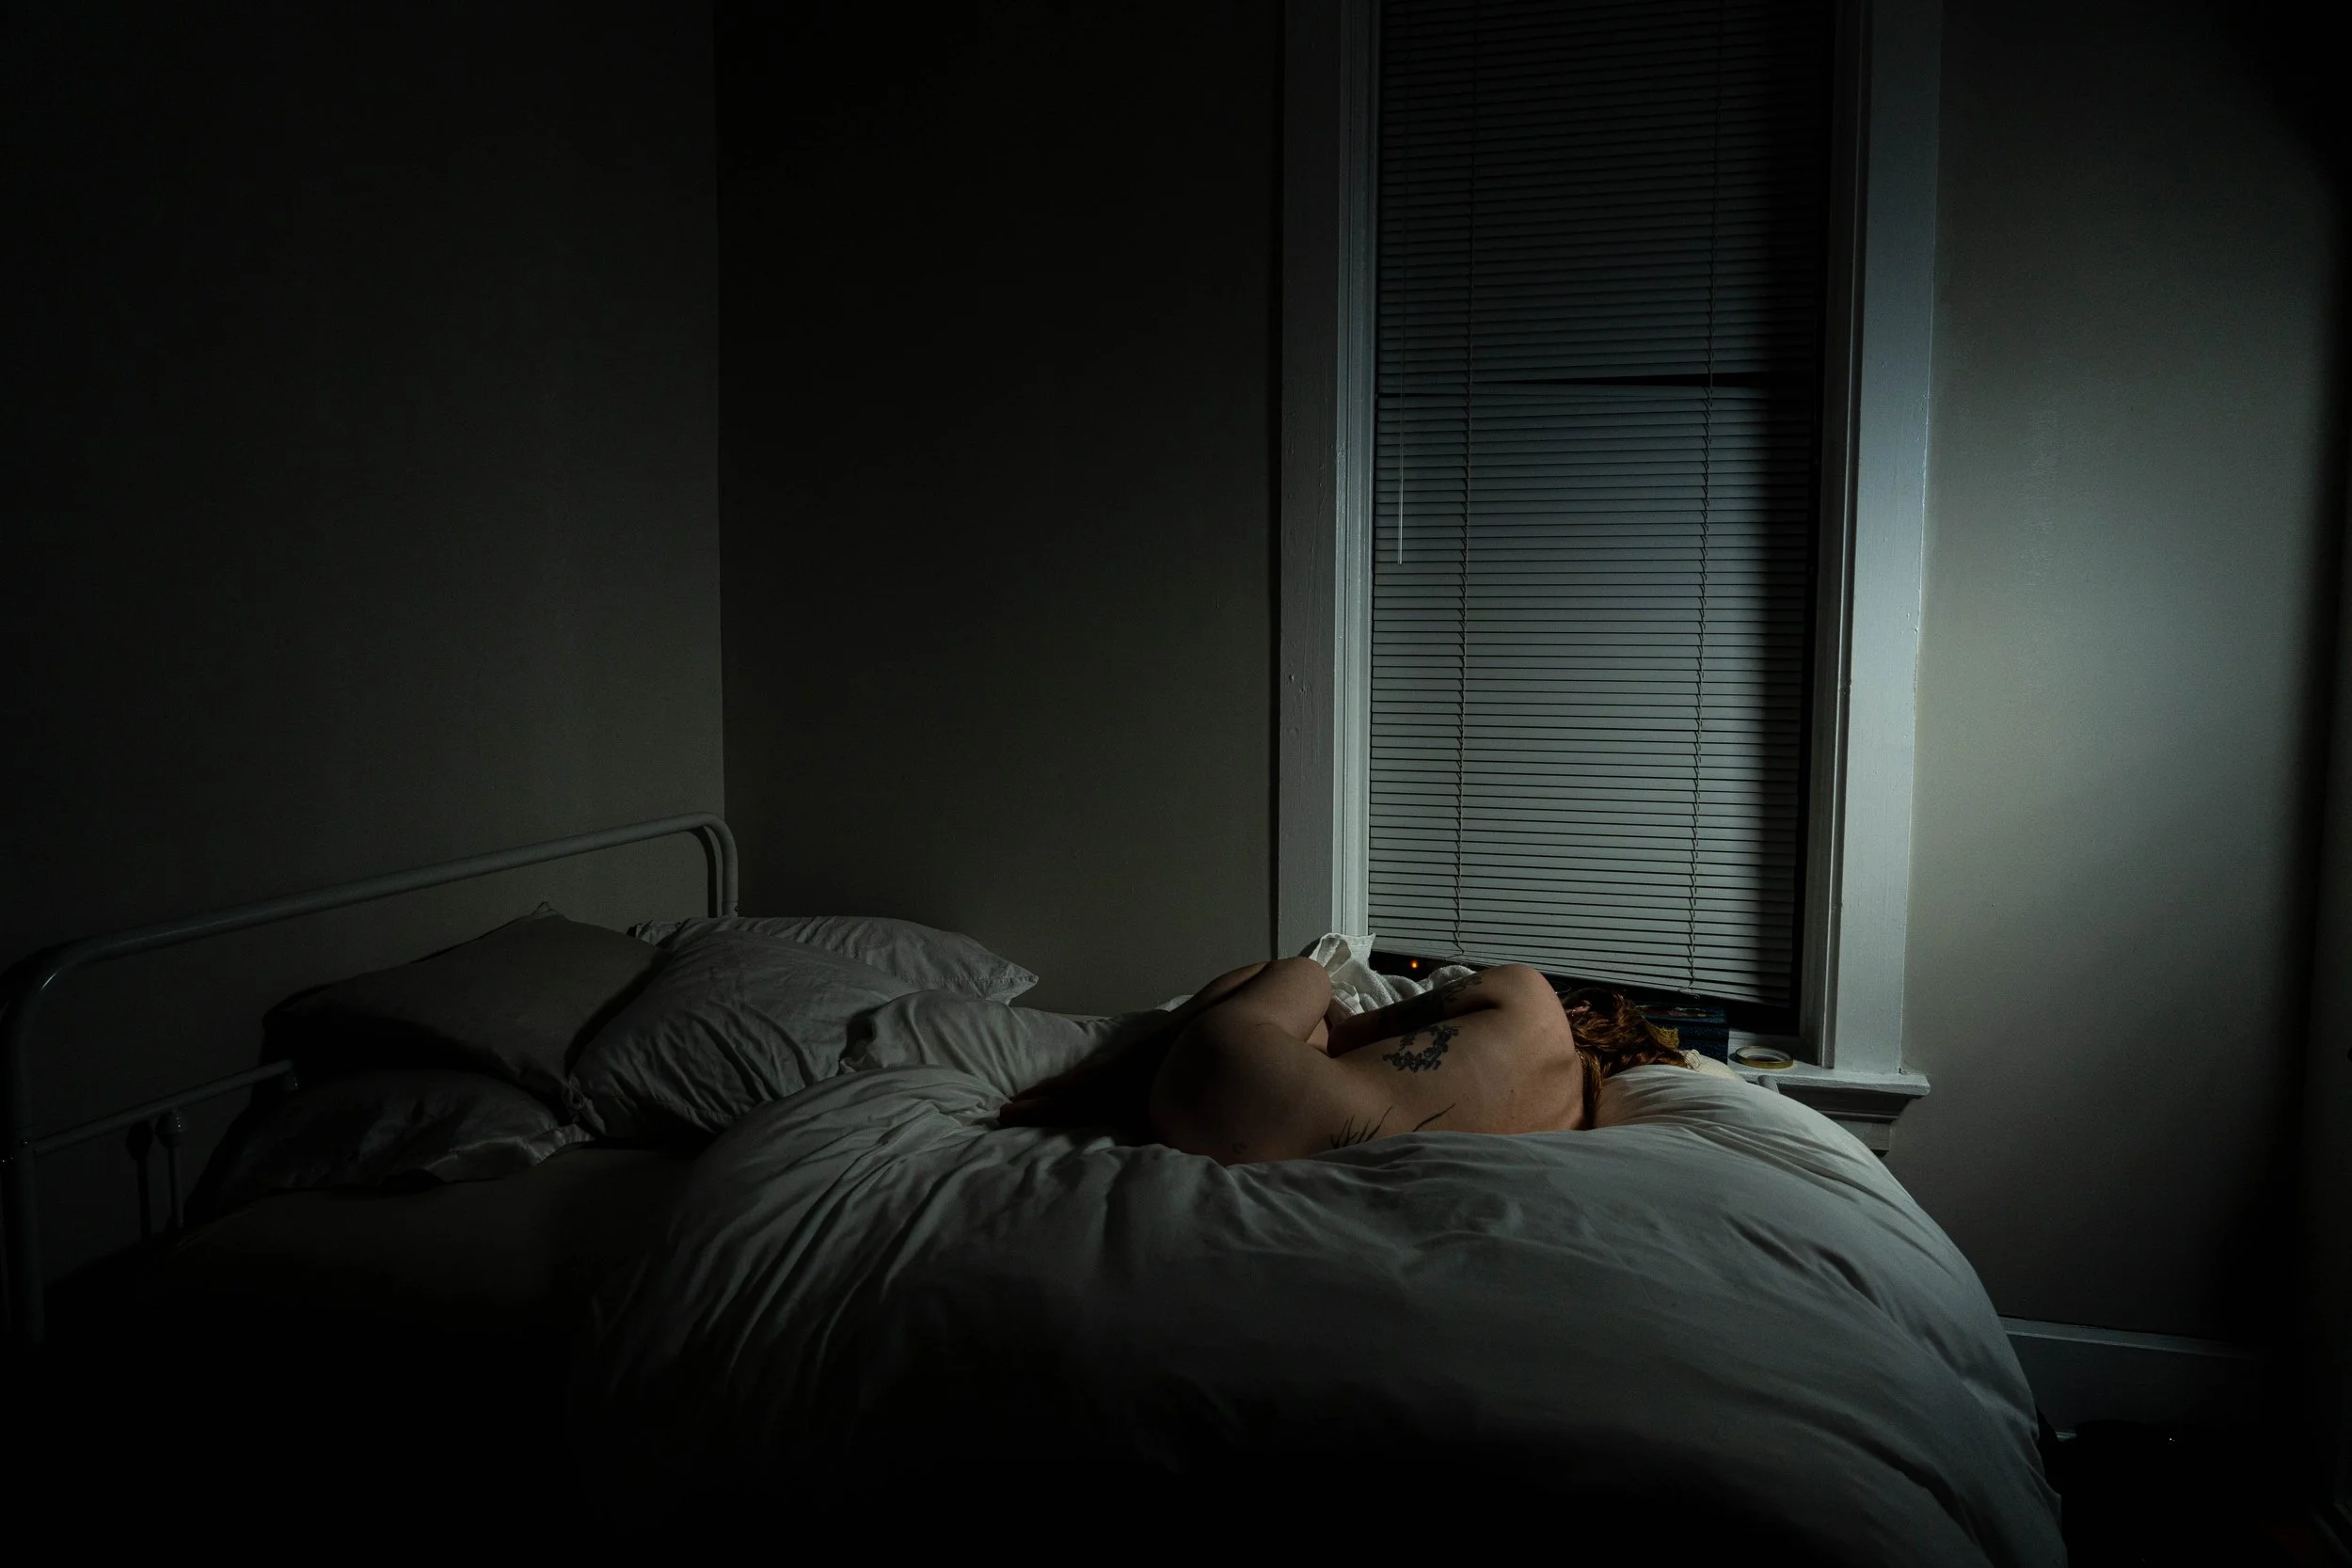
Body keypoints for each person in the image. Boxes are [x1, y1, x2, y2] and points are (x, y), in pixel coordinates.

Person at [998, 957, 1691, 1164]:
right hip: (1250, 1143)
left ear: (1585, 1012)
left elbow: (1356, 1033)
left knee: (1304, 974)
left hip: (1229, 1077)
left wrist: (1326, 1007)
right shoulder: (1572, 1129)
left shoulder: (1531, 995)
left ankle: (1097, 1078)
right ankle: (1128, 1087)